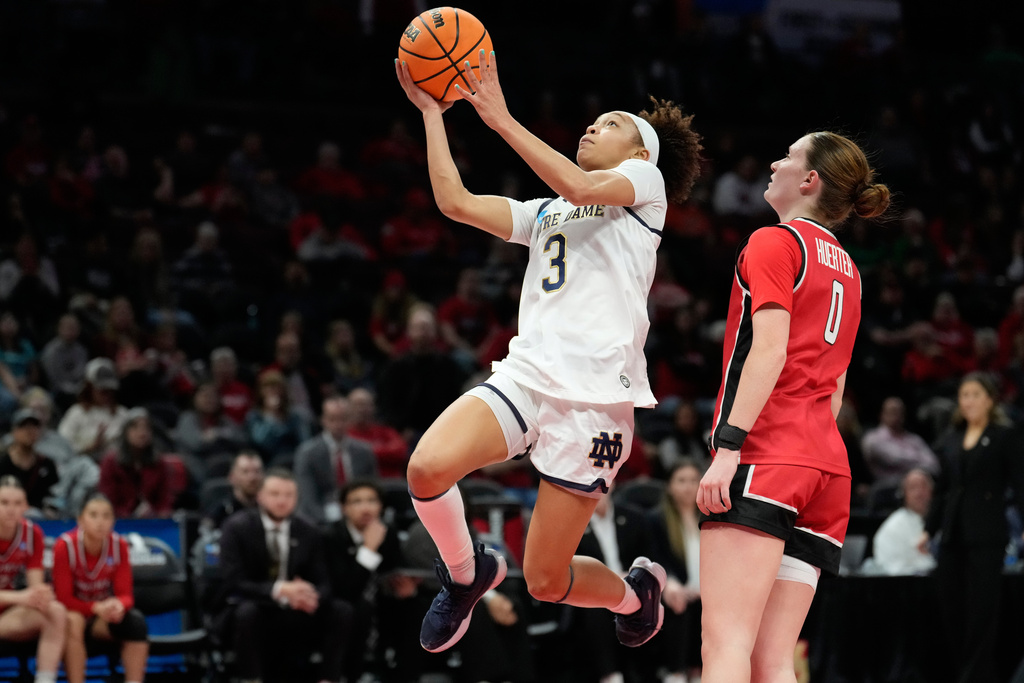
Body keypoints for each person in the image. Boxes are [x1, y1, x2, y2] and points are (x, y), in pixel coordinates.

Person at [396, 52, 703, 654]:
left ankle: (634, 595)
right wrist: (433, 113)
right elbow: (455, 202)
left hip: (595, 402)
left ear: (639, 153)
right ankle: (466, 574)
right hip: (528, 376)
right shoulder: (546, 211)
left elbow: (582, 185)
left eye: (611, 123)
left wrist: (499, 116)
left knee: (545, 580)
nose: (593, 126)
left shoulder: (646, 186)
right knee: (425, 470)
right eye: (595, 120)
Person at [696, 131, 891, 683]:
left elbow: (770, 349)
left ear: (809, 180)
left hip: (768, 455)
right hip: (825, 466)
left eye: (788, 156)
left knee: (726, 645)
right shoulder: (848, 268)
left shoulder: (775, 242)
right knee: (773, 660)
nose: (774, 162)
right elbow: (837, 386)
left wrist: (728, 446)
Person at [921, 372, 1024, 683]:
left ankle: (975, 677)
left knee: (982, 611)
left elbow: (1020, 484)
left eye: (976, 394)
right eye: (964, 395)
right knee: (951, 606)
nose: (968, 401)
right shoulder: (952, 438)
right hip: (953, 533)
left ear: (990, 400)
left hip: (987, 533)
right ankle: (968, 673)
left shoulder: (1004, 436)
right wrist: (929, 529)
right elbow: (943, 489)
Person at [215, 468, 352, 683]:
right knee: (247, 613)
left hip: (297, 609)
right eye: (275, 494)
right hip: (256, 605)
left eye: (289, 495)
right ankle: (251, 679)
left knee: (341, 610)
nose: (282, 501)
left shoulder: (309, 530)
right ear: (260, 496)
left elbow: (324, 581)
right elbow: (233, 581)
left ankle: (329, 679)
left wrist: (309, 596)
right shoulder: (236, 527)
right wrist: (279, 590)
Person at [52, 492, 149, 683]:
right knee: (73, 620)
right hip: (74, 614)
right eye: (93, 515)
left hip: (101, 618)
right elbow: (63, 599)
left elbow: (126, 595)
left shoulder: (119, 545)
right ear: (80, 520)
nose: (100, 522)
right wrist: (95, 607)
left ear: (113, 521)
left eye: (106, 516)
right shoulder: (65, 546)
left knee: (135, 622)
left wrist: (118, 605)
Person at [322, 479, 411, 682]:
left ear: (381, 506)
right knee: (359, 606)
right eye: (357, 501)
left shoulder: (388, 532)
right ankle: (351, 675)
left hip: (381, 602)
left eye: (372, 501)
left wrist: (405, 585)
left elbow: (396, 569)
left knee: (414, 604)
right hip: (340, 605)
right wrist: (369, 549)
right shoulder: (331, 536)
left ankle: (405, 675)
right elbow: (346, 590)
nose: (366, 508)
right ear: (344, 508)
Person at [0, 477, 66, 683]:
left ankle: (45, 679)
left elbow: (35, 586)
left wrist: (41, 595)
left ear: (26, 506)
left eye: (17, 503)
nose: (11, 509)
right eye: (4, 503)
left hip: (6, 613)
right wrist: (21, 597)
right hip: (11, 602)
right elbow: (24, 596)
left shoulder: (32, 534)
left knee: (55, 611)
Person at [647, 459, 705, 683]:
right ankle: (675, 673)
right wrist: (670, 583)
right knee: (677, 603)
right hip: (677, 590)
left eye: (693, 480)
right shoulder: (656, 519)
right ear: (670, 486)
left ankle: (699, 673)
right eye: (681, 481)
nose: (688, 487)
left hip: (707, 591)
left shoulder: (711, 517)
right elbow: (656, 557)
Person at [294, 397, 378, 524]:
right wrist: (332, 524)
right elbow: (308, 500)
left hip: (359, 514)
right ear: (323, 420)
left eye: (343, 419)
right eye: (332, 419)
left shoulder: (364, 452)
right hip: (321, 518)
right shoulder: (307, 454)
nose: (338, 424)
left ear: (350, 420)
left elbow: (373, 491)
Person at [98, 408, 181, 518]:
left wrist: (159, 513)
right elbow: (107, 499)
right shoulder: (111, 462)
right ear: (125, 432)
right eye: (135, 427)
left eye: (146, 428)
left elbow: (165, 499)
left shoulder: (159, 462)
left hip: (152, 520)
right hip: (118, 520)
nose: (142, 432)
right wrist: (129, 516)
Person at [863, 468, 936, 575]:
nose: (919, 493)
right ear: (903, 494)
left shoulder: (943, 521)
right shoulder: (893, 527)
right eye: (913, 488)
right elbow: (893, 568)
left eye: (924, 486)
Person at [57, 357, 129, 458]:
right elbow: (62, 444)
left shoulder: (122, 414)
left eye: (110, 390)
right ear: (90, 388)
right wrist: (90, 447)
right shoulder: (76, 413)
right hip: (82, 462)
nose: (107, 395)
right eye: (102, 391)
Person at [0, 408, 59, 514]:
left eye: (34, 427)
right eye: (24, 426)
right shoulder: (3, 462)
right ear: (14, 431)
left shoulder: (47, 464)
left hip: (39, 517)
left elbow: (54, 497)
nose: (30, 431)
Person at [347, 387, 408, 479]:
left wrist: (364, 450)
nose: (361, 410)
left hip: (391, 482)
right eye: (357, 405)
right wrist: (380, 449)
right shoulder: (346, 435)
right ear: (348, 408)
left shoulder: (386, 431)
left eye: (365, 405)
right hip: (362, 483)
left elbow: (401, 452)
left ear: (373, 407)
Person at [203, 450, 264, 529]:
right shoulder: (220, 513)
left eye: (257, 471)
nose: (252, 477)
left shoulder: (269, 509)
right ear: (232, 477)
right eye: (245, 472)